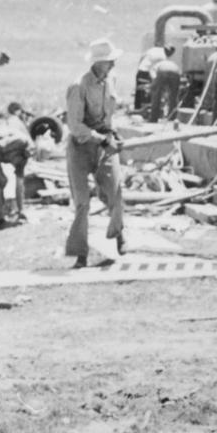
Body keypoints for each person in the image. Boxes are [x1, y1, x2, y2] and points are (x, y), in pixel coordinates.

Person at [65, 38, 127, 268]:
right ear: (97, 63)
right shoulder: (78, 86)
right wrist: (101, 140)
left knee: (115, 191)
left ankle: (119, 235)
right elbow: (75, 125)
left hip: (104, 143)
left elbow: (108, 117)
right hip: (81, 147)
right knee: (82, 202)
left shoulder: (110, 81)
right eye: (109, 62)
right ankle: (80, 253)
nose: (113, 65)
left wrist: (113, 134)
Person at [145, 47, 182, 123]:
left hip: (163, 70)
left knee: (156, 95)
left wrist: (153, 84)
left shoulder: (155, 66)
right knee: (173, 97)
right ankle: (172, 117)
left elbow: (153, 75)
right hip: (176, 71)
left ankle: (154, 118)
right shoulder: (171, 62)